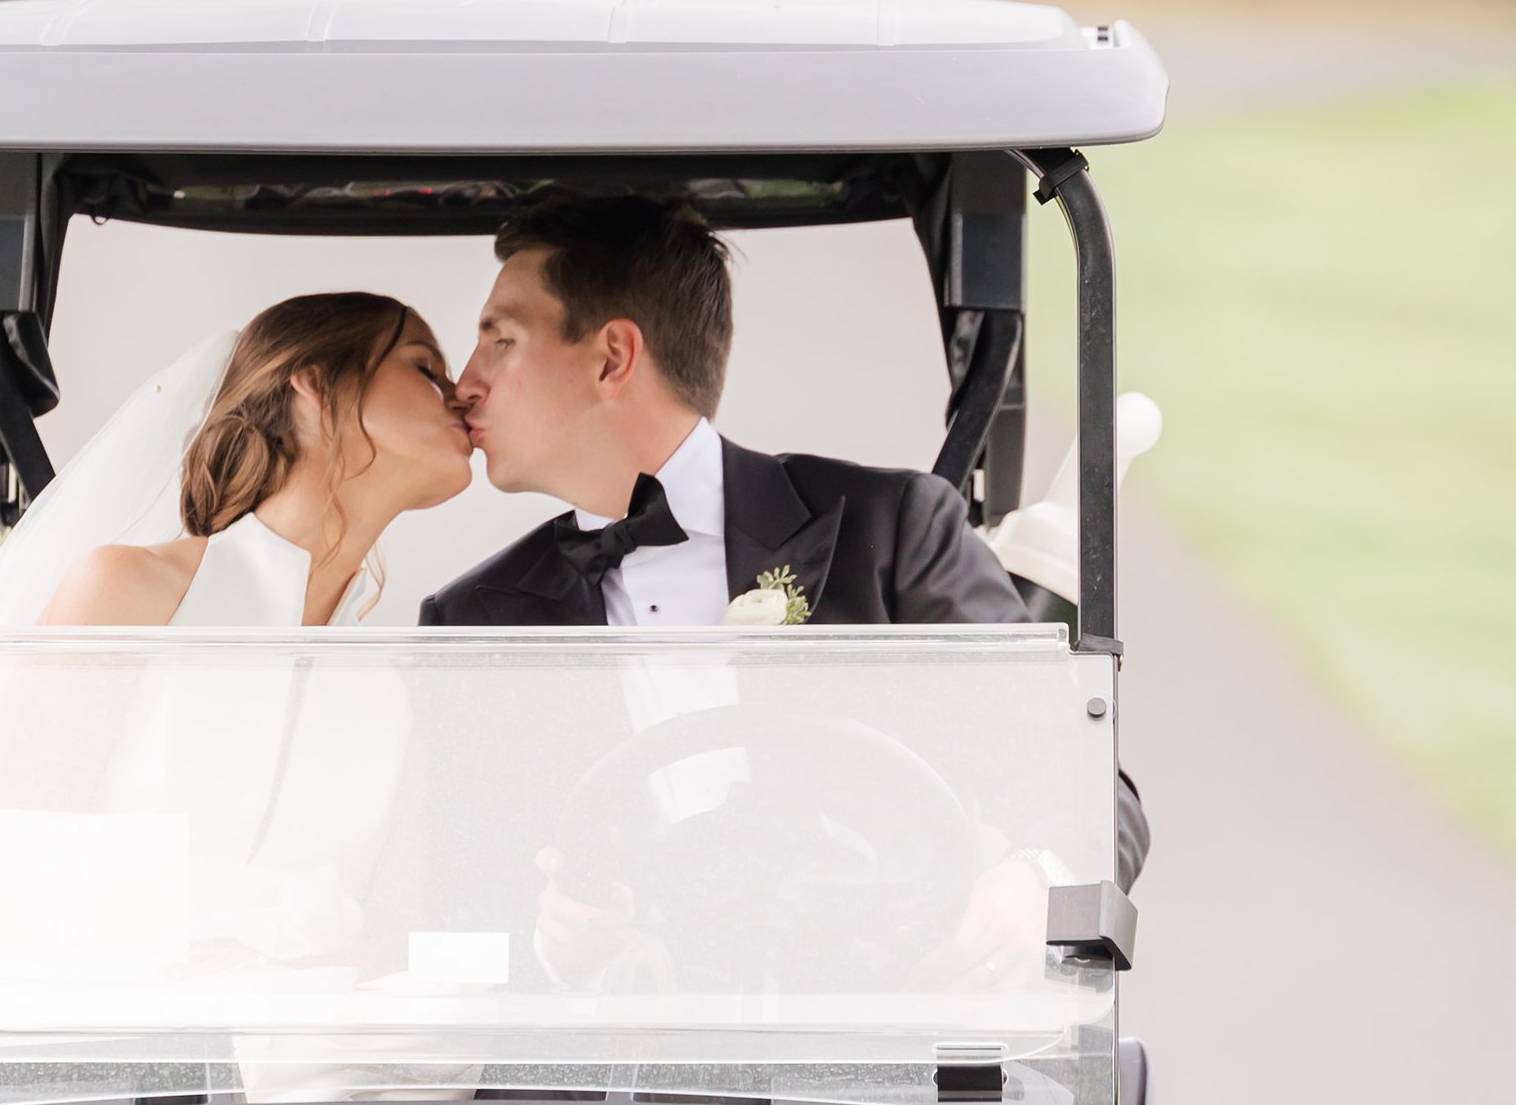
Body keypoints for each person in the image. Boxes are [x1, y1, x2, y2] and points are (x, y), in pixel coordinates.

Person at [421, 195, 1148, 888]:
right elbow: (465, 903)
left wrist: (1031, 884)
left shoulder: (891, 534)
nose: (463, 385)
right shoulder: (473, 623)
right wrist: (559, 951)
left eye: (501, 341)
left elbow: (1094, 802)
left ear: (612, 357)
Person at [38, 292, 473, 629]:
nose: (462, 396)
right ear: (318, 385)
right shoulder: (125, 590)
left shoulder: (383, 690)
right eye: (426, 369)